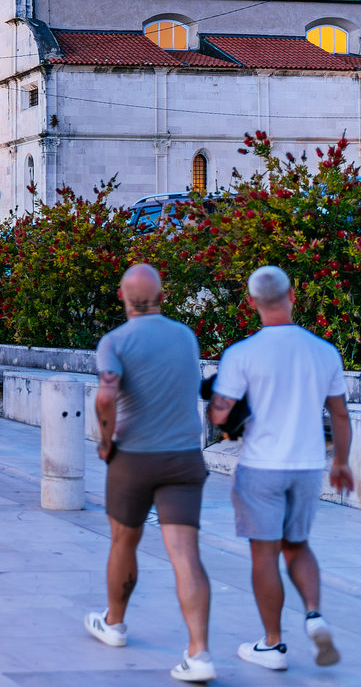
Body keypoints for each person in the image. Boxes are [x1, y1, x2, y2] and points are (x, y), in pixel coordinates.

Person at [210, 266, 352, 672]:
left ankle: (272, 645)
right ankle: (314, 614)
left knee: (265, 553)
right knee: (298, 545)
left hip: (261, 467)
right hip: (307, 466)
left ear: (252, 302)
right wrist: (340, 461)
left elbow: (221, 416)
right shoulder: (324, 351)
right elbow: (340, 415)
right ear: (293, 295)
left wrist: (222, 407)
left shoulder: (241, 354)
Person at [85, 264, 215, 683]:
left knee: (124, 541)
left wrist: (106, 440)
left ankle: (115, 624)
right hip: (182, 456)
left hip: (134, 457)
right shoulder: (185, 336)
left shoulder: (115, 341)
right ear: (163, 295)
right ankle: (198, 654)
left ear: (122, 296)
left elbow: (107, 394)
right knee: (185, 553)